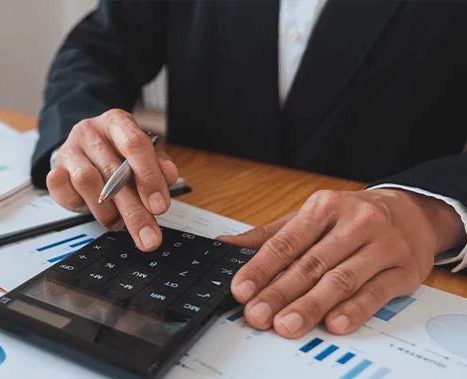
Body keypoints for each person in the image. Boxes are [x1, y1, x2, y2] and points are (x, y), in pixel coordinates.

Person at [32, 0, 467, 340]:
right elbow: (100, 46)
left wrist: (435, 211)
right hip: (197, 213)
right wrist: (85, 133)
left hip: (394, 263)